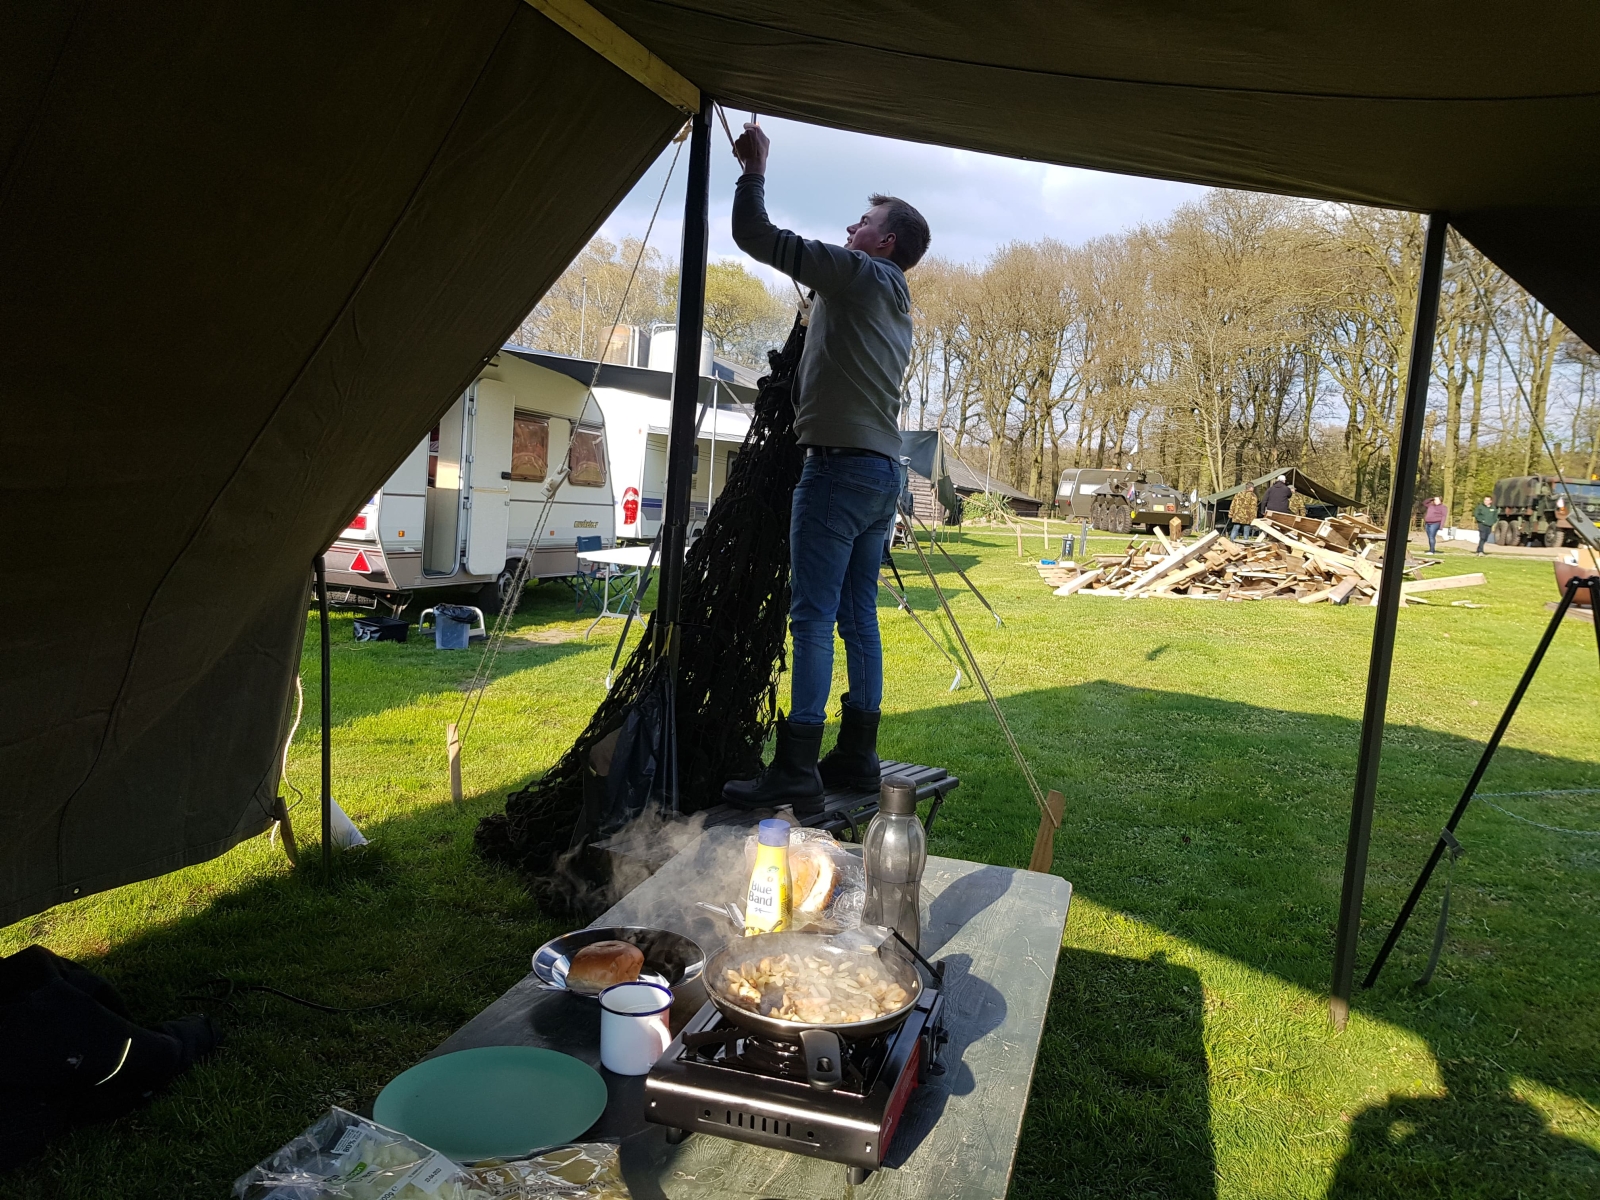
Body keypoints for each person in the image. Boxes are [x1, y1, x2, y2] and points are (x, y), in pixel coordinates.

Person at [720, 121, 930, 815]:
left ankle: (796, 768)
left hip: (836, 471)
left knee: (810, 616)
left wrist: (754, 169)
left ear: (885, 242)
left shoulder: (860, 274)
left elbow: (756, 235)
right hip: (882, 472)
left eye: (863, 222)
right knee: (857, 615)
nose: (850, 227)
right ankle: (857, 756)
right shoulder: (895, 300)